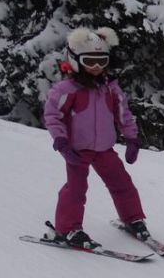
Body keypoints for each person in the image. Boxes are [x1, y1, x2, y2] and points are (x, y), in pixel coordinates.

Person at [42, 26, 149, 249]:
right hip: (77, 150)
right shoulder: (66, 89)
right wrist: (61, 142)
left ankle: (133, 218)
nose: (97, 67)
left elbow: (123, 114)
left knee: (122, 183)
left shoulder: (110, 88)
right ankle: (68, 229)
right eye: (90, 61)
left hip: (104, 149)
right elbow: (53, 116)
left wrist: (132, 138)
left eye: (102, 61)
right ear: (75, 60)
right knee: (76, 188)